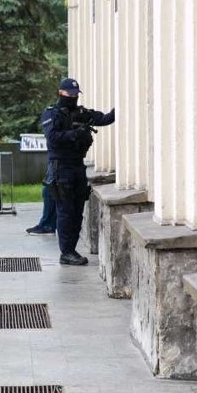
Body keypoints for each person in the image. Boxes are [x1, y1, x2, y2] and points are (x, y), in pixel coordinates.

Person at [41, 78, 114, 265]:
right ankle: (66, 252)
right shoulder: (52, 114)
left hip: (77, 167)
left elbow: (104, 119)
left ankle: (71, 250)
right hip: (60, 168)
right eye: (69, 94)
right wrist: (75, 134)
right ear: (60, 93)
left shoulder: (81, 113)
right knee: (65, 212)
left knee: (77, 211)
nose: (73, 97)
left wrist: (121, 108)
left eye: (75, 95)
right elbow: (52, 138)